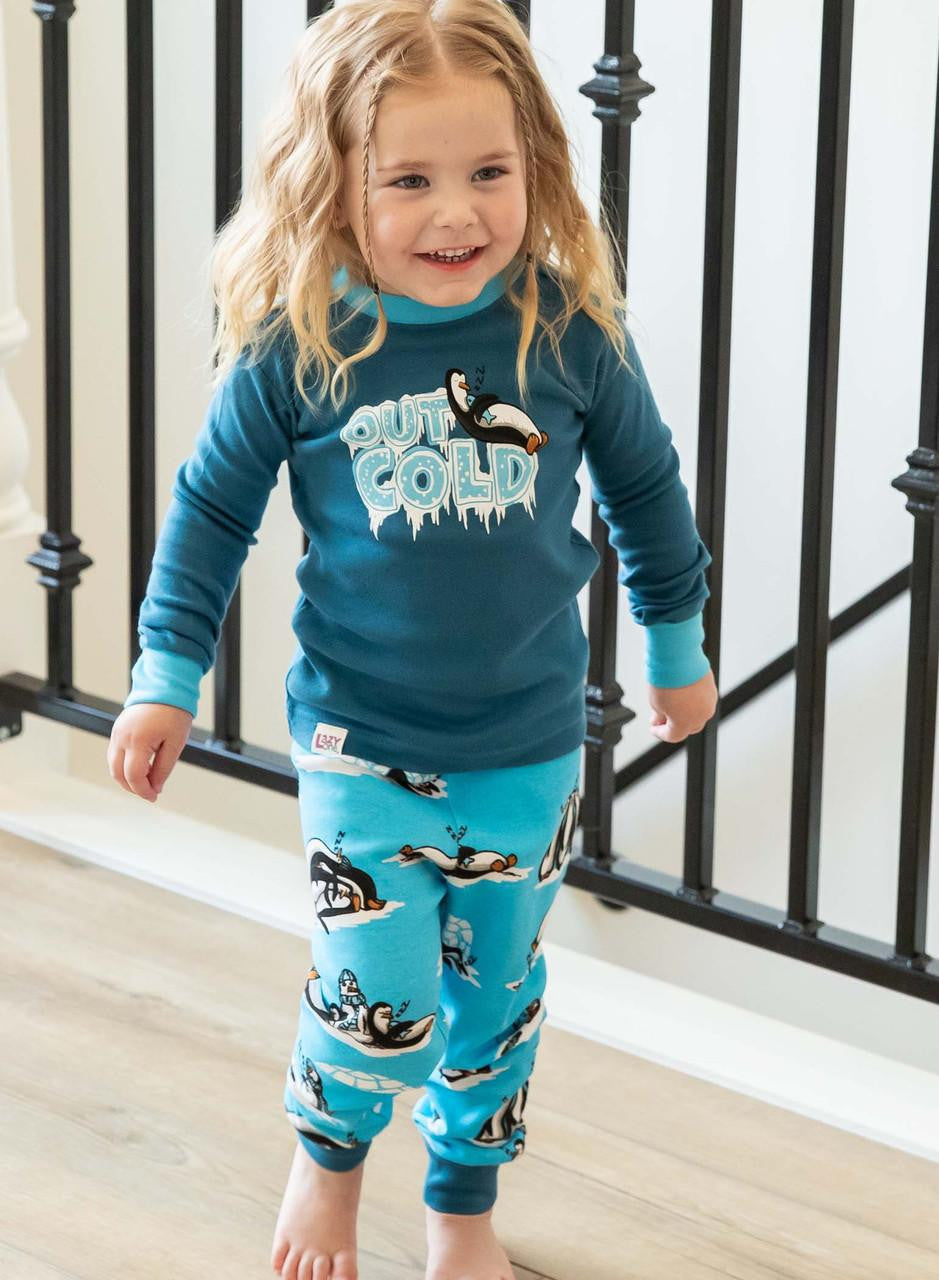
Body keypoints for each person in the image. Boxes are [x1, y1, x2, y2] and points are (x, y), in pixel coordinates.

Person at [107, 1, 719, 1276]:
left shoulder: (565, 330)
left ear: (534, 165)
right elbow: (210, 512)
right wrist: (167, 675)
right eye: (409, 181)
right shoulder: (300, 344)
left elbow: (646, 489)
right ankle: (327, 1156)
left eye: (489, 172)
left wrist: (673, 639)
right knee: (377, 994)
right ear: (333, 183)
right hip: (361, 738)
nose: (458, 214)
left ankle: (460, 1207)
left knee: (493, 1000)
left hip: (526, 744)